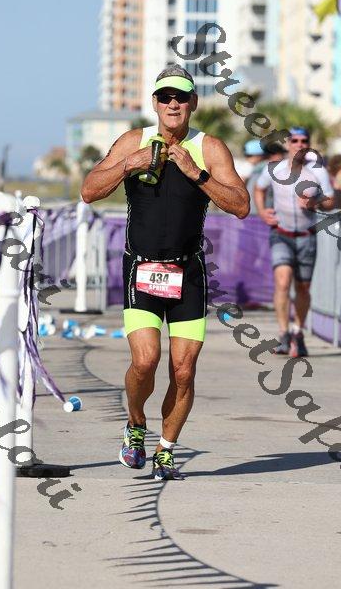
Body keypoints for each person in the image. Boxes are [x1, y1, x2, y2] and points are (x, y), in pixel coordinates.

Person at [81, 64, 249, 481]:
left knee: (184, 371)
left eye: (181, 97)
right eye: (165, 97)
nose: (173, 104)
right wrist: (129, 165)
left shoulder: (209, 148)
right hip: (141, 268)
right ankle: (136, 424)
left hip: (188, 272)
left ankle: (166, 450)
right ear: (155, 103)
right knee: (145, 361)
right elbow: (88, 191)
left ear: (193, 102)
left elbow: (241, 205)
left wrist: (197, 174)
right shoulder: (133, 141)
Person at [254, 126, 335, 357]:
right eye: (295, 140)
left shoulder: (317, 171)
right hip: (281, 233)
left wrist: (315, 201)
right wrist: (262, 212)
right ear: (288, 144)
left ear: (308, 144)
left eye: (304, 141)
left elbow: (331, 200)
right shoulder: (274, 169)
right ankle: (283, 334)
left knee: (303, 288)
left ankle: (298, 332)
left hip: (307, 237)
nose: (299, 144)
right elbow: (259, 189)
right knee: (282, 282)